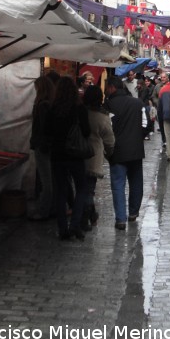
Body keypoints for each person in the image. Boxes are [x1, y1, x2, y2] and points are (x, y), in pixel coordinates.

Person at [44, 76, 90, 240]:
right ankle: (75, 225)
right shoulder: (79, 108)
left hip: (57, 155)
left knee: (61, 191)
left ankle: (63, 228)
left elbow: (47, 132)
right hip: (75, 154)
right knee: (81, 188)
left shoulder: (52, 108)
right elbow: (86, 131)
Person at [104, 76, 145, 230]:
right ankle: (133, 212)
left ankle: (120, 219)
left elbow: (106, 127)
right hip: (135, 149)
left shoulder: (109, 105)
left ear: (111, 88)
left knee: (118, 184)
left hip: (117, 150)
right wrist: (138, 136)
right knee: (136, 182)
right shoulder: (137, 103)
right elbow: (146, 123)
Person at [82, 85, 115, 231]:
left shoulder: (79, 112)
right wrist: (110, 153)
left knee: (80, 188)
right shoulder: (102, 117)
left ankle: (89, 215)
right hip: (93, 156)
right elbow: (110, 140)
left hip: (76, 154)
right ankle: (85, 218)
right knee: (88, 189)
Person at [29, 75, 56, 220]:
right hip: (48, 146)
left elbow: (43, 129)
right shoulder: (51, 104)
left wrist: (38, 143)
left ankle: (44, 211)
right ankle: (50, 208)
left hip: (43, 147)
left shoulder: (42, 106)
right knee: (50, 179)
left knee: (47, 181)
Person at [158, 71, 170, 162]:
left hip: (166, 115)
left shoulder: (163, 89)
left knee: (168, 136)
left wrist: (160, 117)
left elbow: (160, 106)